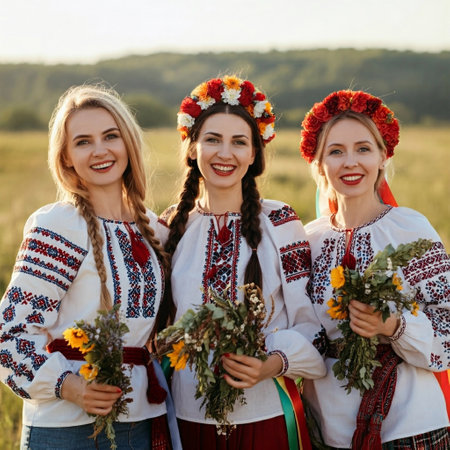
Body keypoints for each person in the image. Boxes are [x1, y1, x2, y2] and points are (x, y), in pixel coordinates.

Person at [0, 84, 178, 449]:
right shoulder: (58, 225)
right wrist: (71, 386)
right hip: (67, 427)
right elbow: (10, 333)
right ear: (65, 157)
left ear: (128, 142)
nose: (100, 150)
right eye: (83, 142)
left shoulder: (152, 226)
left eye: (110, 136)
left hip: (143, 419)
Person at [157, 75, 326, 450]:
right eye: (212, 140)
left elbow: (313, 329)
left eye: (239, 142)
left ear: (254, 154)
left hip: (265, 417)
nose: (225, 153)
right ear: (191, 148)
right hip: (186, 417)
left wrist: (272, 363)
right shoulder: (171, 227)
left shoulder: (280, 222)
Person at [299, 89, 450, 449]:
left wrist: (393, 326)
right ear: (319, 163)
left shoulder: (408, 229)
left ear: (383, 156)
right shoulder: (310, 239)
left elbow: (448, 327)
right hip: (329, 431)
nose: (350, 161)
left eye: (363, 148)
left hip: (410, 428)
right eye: (335, 151)